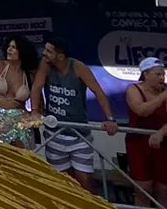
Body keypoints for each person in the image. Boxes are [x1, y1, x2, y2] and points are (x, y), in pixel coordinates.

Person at [30, 36, 118, 190]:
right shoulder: (45, 64)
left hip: (79, 134)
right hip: (54, 134)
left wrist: (110, 119)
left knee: (84, 179)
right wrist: (35, 112)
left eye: (49, 51)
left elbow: (98, 92)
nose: (44, 54)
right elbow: (37, 87)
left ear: (61, 56)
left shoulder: (78, 67)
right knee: (63, 182)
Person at [125, 56, 167, 209]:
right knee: (143, 188)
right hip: (139, 143)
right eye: (158, 74)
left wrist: (161, 133)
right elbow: (141, 110)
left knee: (163, 188)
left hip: (161, 144)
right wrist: (161, 97)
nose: (162, 78)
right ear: (146, 74)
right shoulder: (133, 89)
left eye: (163, 74)